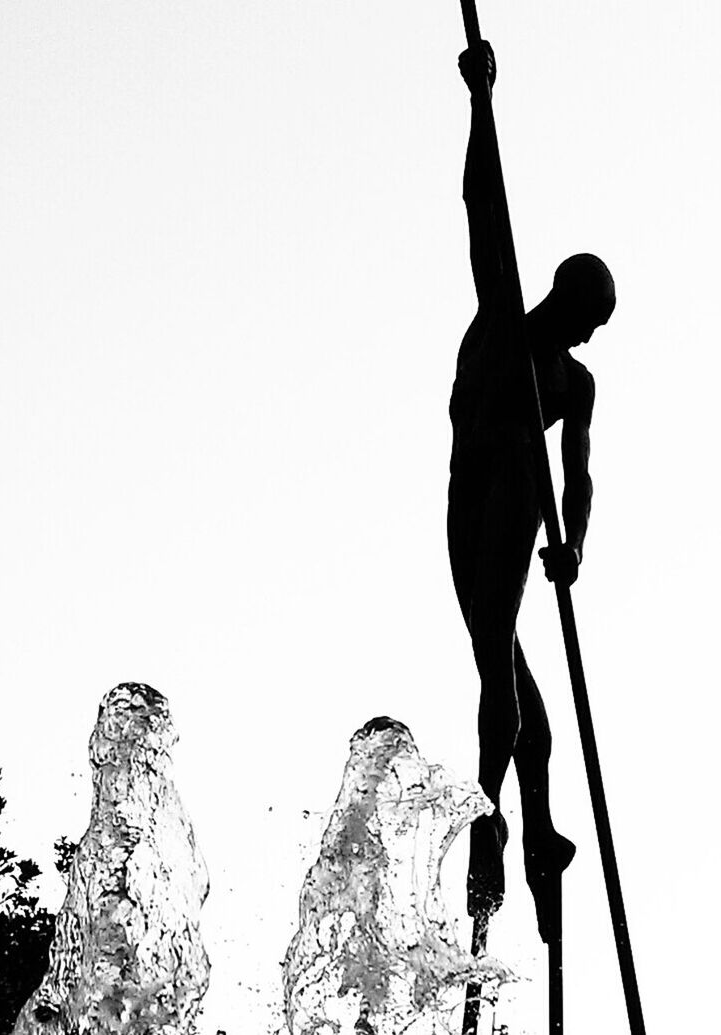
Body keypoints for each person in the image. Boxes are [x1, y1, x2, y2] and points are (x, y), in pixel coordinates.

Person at [448, 41, 616, 940]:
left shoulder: (575, 388)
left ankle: (506, 814)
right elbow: (484, 205)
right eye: (591, 319)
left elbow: (579, 476)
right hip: (470, 498)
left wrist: (574, 546)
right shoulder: (505, 320)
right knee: (500, 665)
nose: (590, 339)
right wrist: (481, 103)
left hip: (519, 501)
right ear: (567, 295)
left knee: (506, 678)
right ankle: (514, 818)